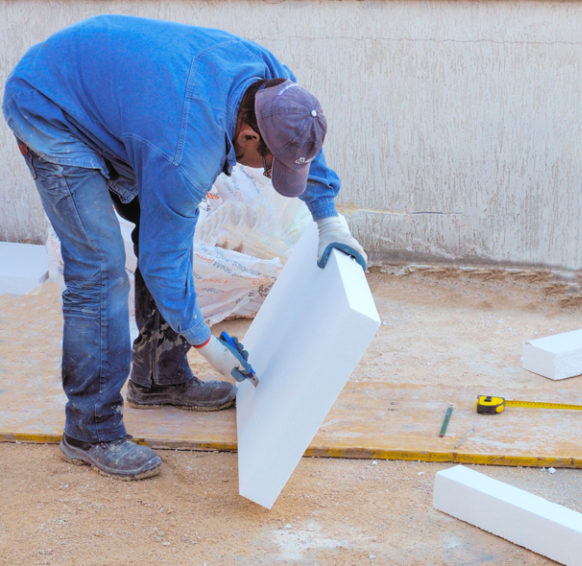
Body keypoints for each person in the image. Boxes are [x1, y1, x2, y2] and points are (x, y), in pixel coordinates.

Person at [2, 15, 367, 480]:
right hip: (50, 104)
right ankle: (90, 429)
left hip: (118, 99)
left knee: (168, 232)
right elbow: (161, 261)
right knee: (100, 267)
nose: (264, 173)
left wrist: (328, 217)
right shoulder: (183, 150)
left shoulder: (271, 82)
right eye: (266, 164)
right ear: (249, 135)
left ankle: (159, 377)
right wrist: (205, 342)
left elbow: (300, 143)